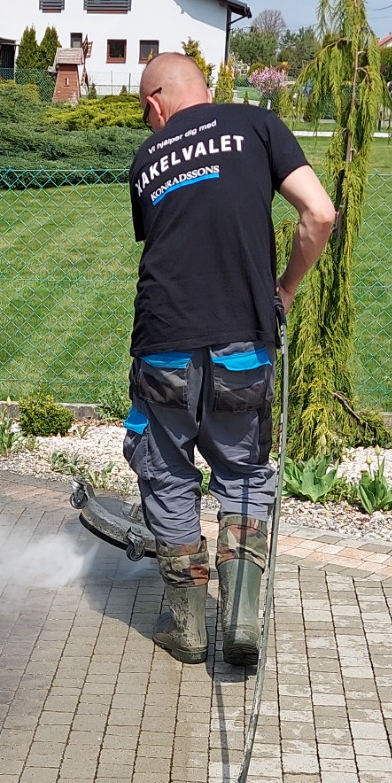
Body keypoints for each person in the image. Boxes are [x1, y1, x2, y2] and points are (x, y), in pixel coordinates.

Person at [125, 51, 335, 666]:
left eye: (146, 114)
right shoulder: (256, 125)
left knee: (166, 470)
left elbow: (168, 238)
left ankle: (187, 630)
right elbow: (319, 213)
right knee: (243, 472)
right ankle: (242, 622)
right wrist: (286, 290)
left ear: (156, 102)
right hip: (243, 340)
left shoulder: (147, 158)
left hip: (163, 342)